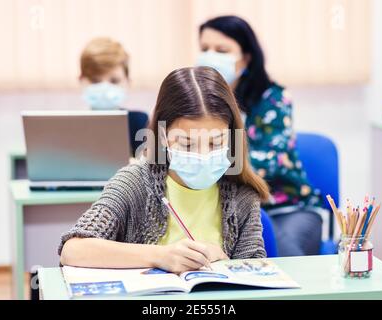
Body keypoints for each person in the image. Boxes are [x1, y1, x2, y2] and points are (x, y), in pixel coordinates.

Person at [59, 66, 270, 273]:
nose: (203, 156)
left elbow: (255, 273)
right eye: (187, 144)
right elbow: (73, 250)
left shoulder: (242, 195)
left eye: (216, 143)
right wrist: (161, 256)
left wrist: (223, 259)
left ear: (232, 136)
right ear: (162, 137)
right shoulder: (135, 183)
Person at [197, 15, 323, 256]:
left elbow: (268, 163)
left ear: (246, 56)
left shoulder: (274, 98)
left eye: (221, 49)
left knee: (280, 253)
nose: (210, 55)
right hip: (226, 207)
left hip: (287, 208)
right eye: (204, 49)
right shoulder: (202, 102)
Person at [79, 37, 148, 155]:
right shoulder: (73, 125)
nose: (104, 88)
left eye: (114, 81)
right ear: (82, 81)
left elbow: (148, 167)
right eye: (95, 81)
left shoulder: (138, 121)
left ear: (128, 81)